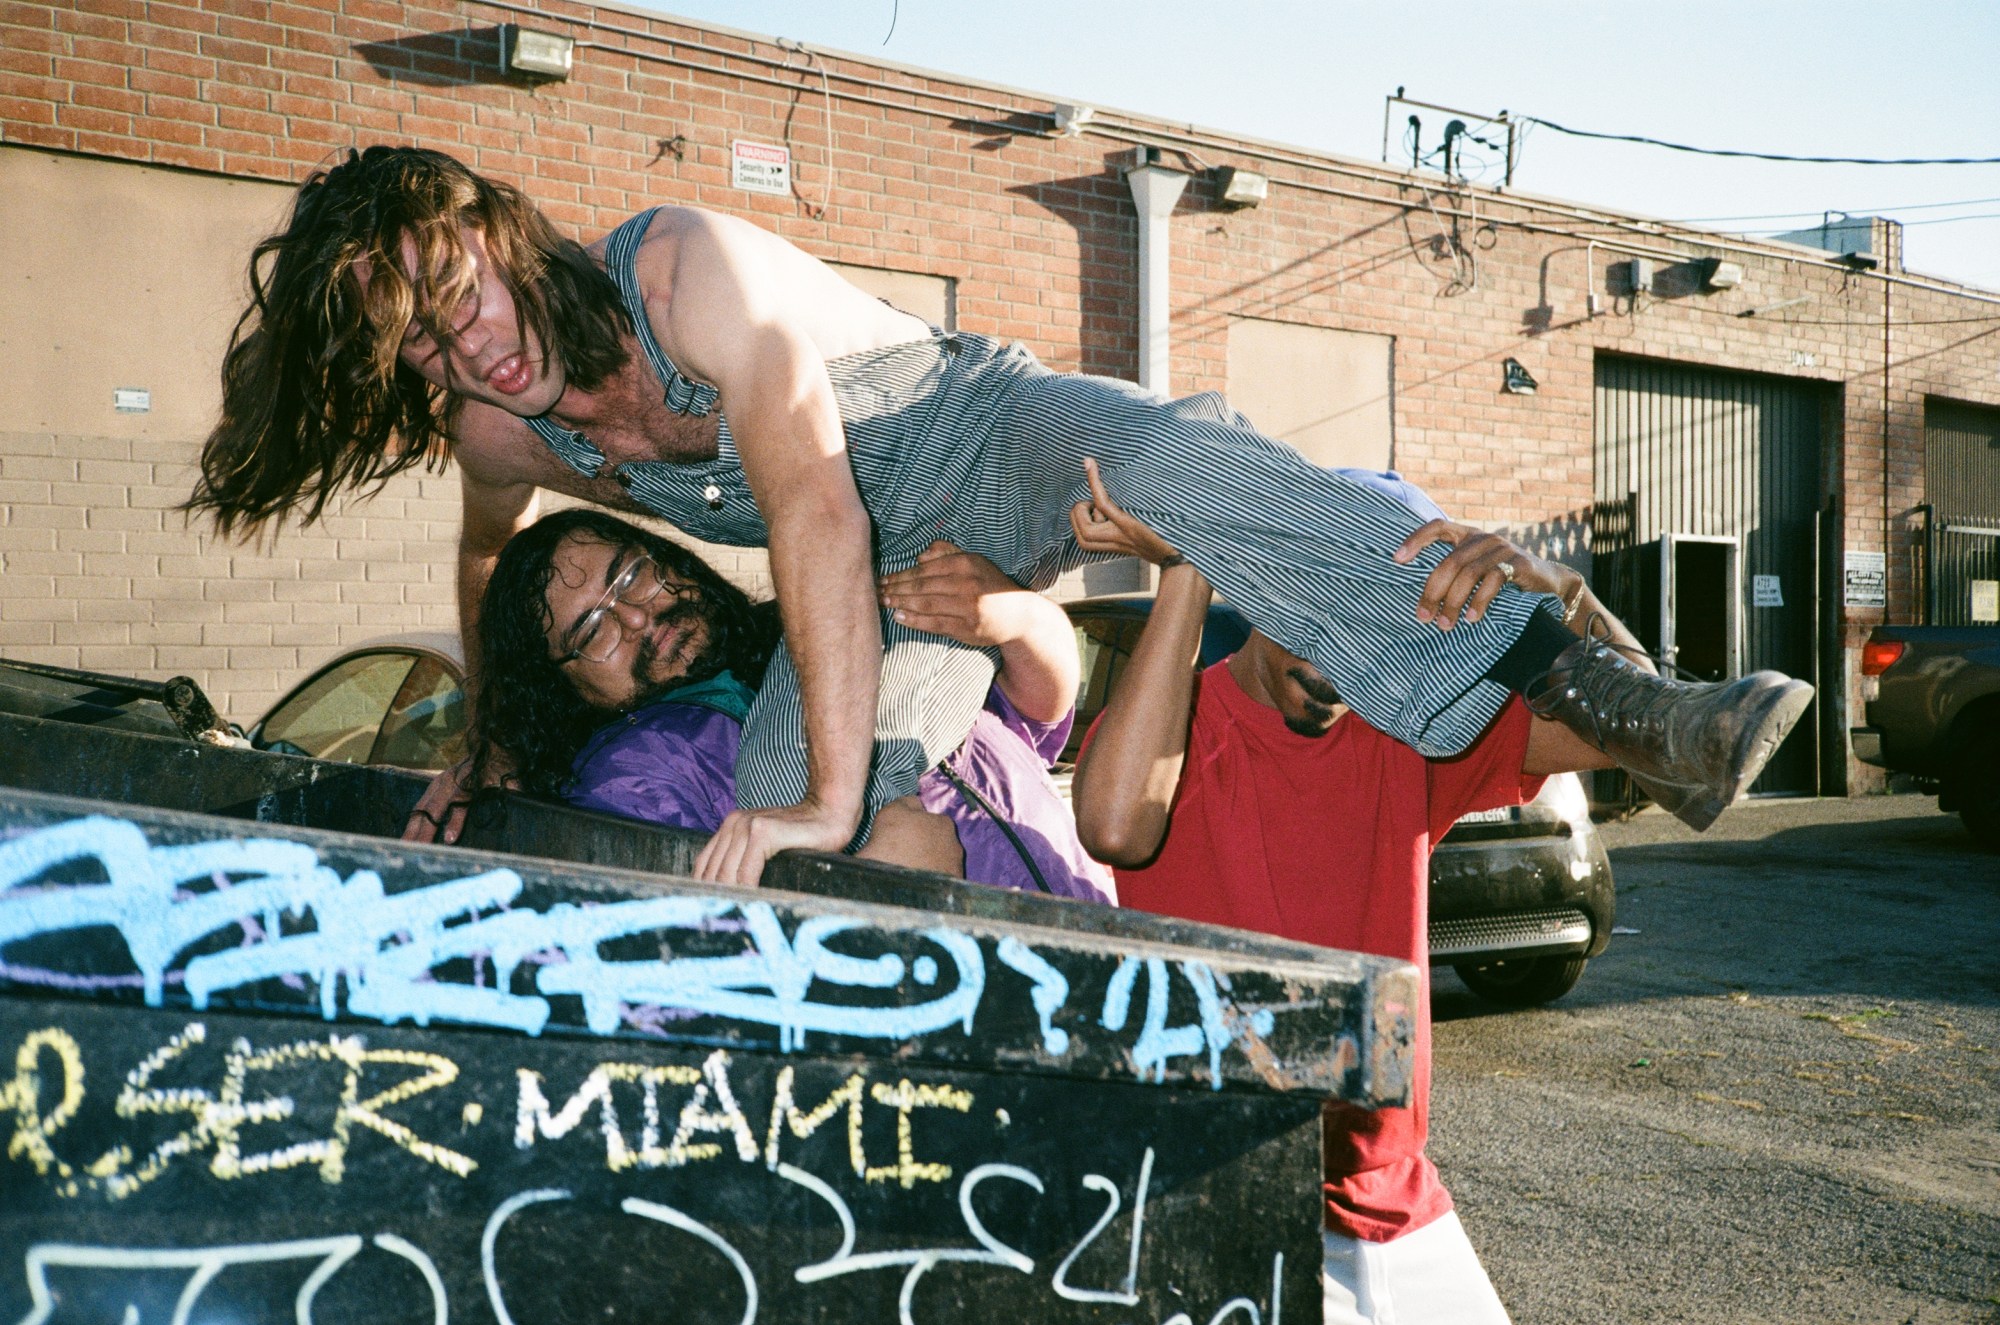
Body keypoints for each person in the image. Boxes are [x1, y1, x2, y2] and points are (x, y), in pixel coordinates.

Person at [188, 145, 1811, 884]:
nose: (472, 343)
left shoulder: (681, 270)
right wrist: (482, 753)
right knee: (773, 847)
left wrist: (830, 779)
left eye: (460, 291)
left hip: (986, 434)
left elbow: (808, 506)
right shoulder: (496, 426)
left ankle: (1620, 699)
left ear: (497, 237)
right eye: (422, 341)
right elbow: (484, 560)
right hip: (893, 583)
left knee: (1177, 467)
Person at [1067, 467, 1647, 1325]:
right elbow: (1116, 826)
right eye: (1321, 602)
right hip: (1221, 1187)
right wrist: (1193, 561)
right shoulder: (1175, 725)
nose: (1343, 651)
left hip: (1391, 1189)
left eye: (1377, 621)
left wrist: (1564, 594)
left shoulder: (1405, 729)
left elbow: (1654, 730)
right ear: (1270, 585)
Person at [468, 507, 1112, 902]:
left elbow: (1037, 713)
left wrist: (1022, 619)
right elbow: (690, 979)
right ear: (560, 688)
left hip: (1102, 942)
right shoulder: (636, 778)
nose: (637, 617)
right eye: (591, 630)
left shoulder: (812, 628)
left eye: (631, 574)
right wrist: (885, 896)